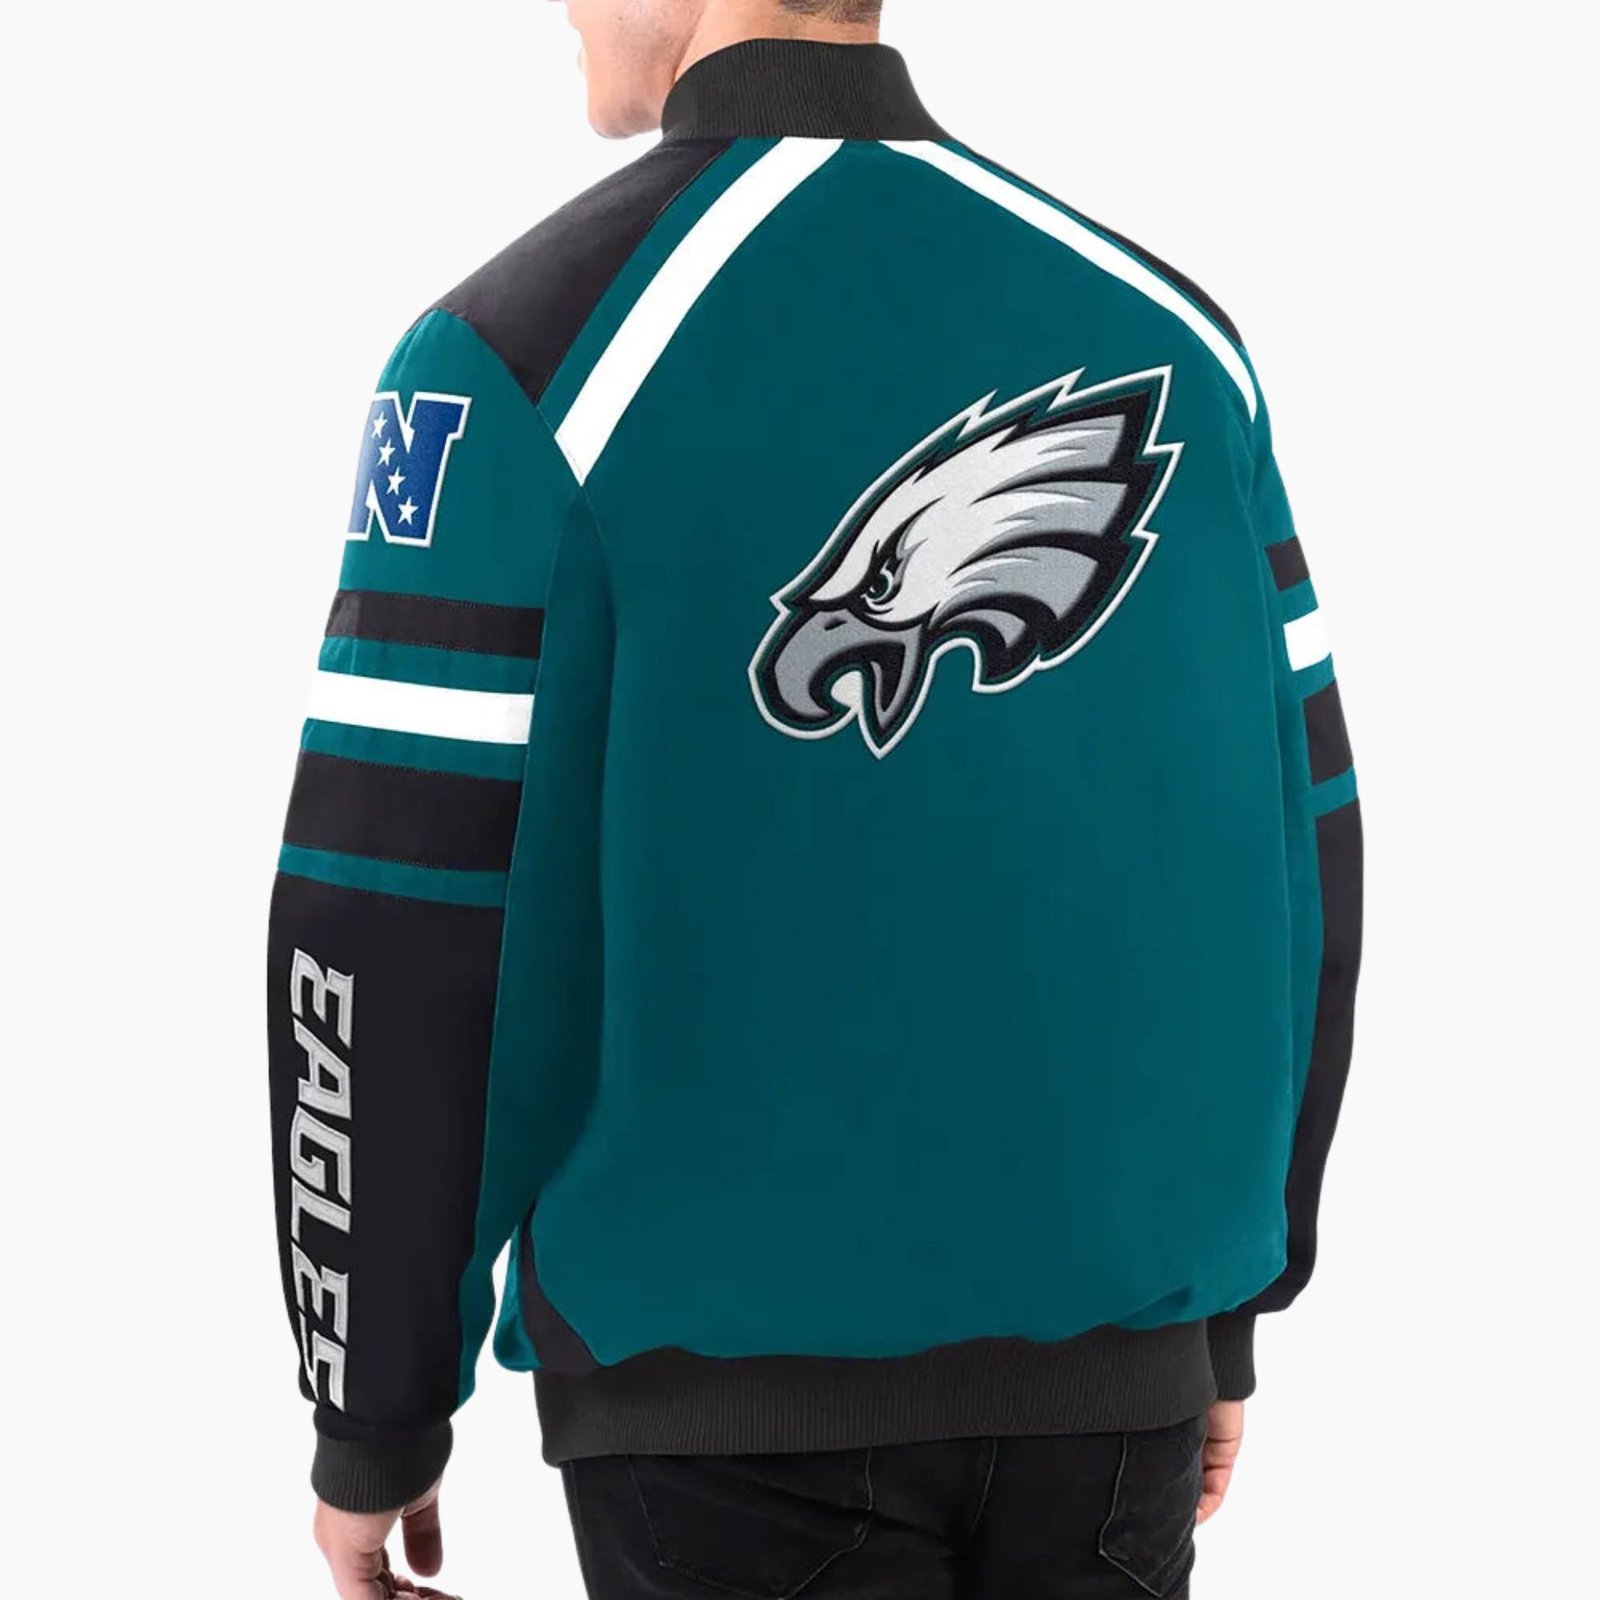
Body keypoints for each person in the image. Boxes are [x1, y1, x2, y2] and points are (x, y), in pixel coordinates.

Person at [267, 2, 1364, 1595]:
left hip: (718, 1431)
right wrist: (1229, 1306)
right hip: (1120, 1398)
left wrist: (370, 1413)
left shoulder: (516, 361)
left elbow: (395, 923)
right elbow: (1298, 853)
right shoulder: (1181, 343)